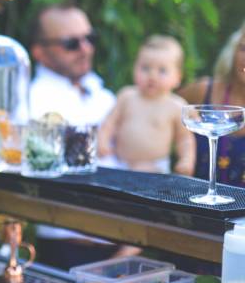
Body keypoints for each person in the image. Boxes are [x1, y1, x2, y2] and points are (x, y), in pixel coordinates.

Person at [27, 2, 117, 270]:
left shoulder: (104, 96)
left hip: (124, 245)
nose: (86, 49)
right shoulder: (32, 101)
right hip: (67, 251)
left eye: (89, 39)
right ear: (40, 53)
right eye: (71, 43)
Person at [98, 35, 196, 175]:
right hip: (119, 163)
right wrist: (103, 141)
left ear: (177, 77)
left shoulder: (176, 106)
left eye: (162, 70)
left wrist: (186, 160)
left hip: (155, 166)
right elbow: (109, 124)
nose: (152, 76)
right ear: (134, 68)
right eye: (145, 68)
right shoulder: (127, 96)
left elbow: (185, 139)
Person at [179, 20, 245, 188]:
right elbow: (163, 105)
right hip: (195, 204)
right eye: (244, 48)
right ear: (233, 51)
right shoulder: (203, 90)